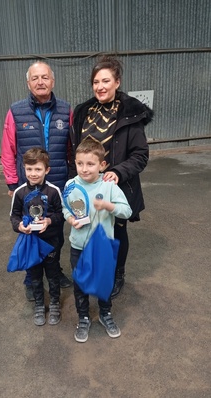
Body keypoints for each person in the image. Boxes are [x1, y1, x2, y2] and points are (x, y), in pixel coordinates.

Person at [70, 55, 153, 299]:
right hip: (86, 184)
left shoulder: (130, 114)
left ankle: (118, 273)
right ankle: (95, 268)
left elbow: (140, 155)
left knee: (116, 231)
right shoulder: (84, 111)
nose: (100, 86)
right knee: (87, 226)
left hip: (117, 186)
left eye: (106, 80)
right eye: (96, 81)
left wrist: (117, 171)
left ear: (117, 82)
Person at [1, 61, 72, 300]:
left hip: (59, 183)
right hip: (29, 186)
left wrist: (73, 181)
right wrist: (13, 183)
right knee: (30, 231)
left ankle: (55, 269)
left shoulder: (66, 110)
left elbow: (72, 148)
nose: (40, 82)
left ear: (52, 81)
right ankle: (32, 278)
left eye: (45, 77)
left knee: (55, 230)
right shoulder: (16, 111)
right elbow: (8, 149)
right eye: (35, 78)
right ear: (28, 83)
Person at [63, 136, 132, 342]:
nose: (84, 169)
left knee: (104, 282)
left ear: (102, 165)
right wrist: (70, 220)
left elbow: (127, 211)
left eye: (90, 164)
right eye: (80, 163)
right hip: (79, 246)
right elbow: (66, 208)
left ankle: (105, 313)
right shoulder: (70, 184)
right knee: (80, 283)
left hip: (102, 247)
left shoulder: (109, 186)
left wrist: (109, 206)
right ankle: (83, 317)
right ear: (74, 163)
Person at [10, 148, 63, 326]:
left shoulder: (54, 191)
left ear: (47, 170)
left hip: (51, 243)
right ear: (24, 169)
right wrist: (19, 226)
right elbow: (14, 216)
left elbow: (61, 214)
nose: (33, 174)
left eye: (38, 169)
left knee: (53, 273)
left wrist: (49, 220)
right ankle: (40, 304)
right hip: (31, 243)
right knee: (34, 274)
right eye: (29, 169)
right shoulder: (19, 193)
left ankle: (54, 303)